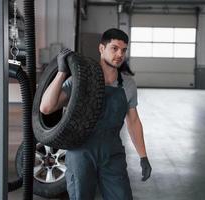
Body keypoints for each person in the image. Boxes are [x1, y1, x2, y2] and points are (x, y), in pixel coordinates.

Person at [40, 28, 151, 200]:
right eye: (114, 48)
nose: (119, 54)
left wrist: (143, 156)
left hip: (112, 152)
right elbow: (46, 108)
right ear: (101, 49)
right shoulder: (80, 81)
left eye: (123, 50)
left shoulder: (128, 85)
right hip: (80, 152)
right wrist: (61, 72)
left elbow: (134, 121)